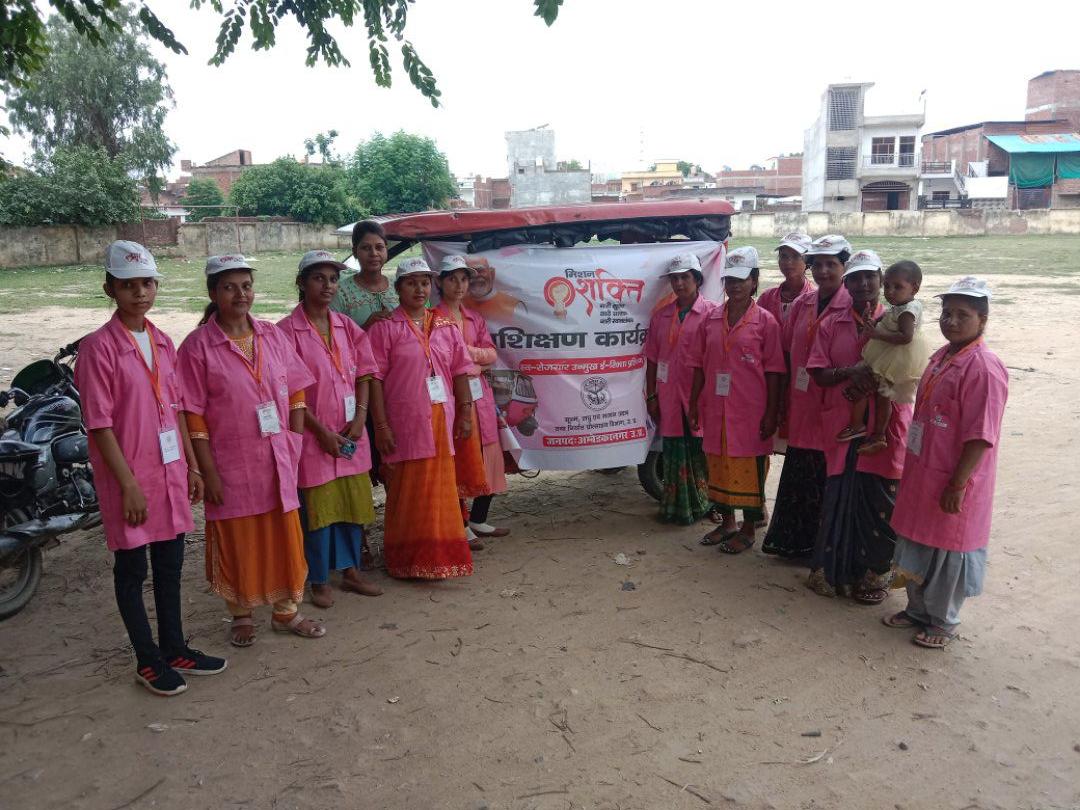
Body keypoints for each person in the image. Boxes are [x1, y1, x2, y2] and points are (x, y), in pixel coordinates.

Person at [75, 241, 226, 696]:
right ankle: (147, 659)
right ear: (110, 289)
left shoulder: (162, 342)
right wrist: (128, 487)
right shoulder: (98, 349)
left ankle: (175, 647)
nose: (139, 293)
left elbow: (176, 409)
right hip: (131, 478)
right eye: (128, 286)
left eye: (146, 283)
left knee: (169, 563)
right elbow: (100, 425)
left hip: (169, 471)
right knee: (132, 569)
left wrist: (192, 467)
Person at [178, 255, 323, 647]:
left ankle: (286, 611)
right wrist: (207, 471)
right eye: (229, 287)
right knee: (239, 539)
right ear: (213, 293)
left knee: (283, 537)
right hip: (230, 463)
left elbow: (296, 389)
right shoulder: (196, 347)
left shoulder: (272, 335)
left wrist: (294, 440)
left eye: (246, 286)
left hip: (277, 457)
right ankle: (240, 613)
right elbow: (192, 414)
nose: (240, 294)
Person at [885, 277, 1007, 649]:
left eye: (962, 315)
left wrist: (957, 483)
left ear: (982, 319)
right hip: (925, 469)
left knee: (948, 552)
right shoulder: (942, 356)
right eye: (946, 313)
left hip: (954, 477)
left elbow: (981, 435)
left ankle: (943, 620)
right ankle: (918, 609)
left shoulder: (984, 368)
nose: (951, 321)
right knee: (919, 541)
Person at [277, 251, 384, 610]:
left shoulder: (346, 326)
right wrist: (320, 431)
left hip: (351, 432)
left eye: (333, 279)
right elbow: (289, 391)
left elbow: (365, 373)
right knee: (319, 511)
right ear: (301, 283)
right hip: (313, 436)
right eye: (318, 278)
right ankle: (319, 578)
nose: (328, 285)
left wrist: (361, 417)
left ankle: (351, 571)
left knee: (353, 503)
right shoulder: (285, 332)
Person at [805, 250, 912, 602]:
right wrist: (850, 373)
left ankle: (875, 575)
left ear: (881, 281)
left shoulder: (899, 322)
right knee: (839, 496)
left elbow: (911, 373)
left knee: (879, 499)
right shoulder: (830, 325)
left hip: (884, 424)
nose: (863, 284)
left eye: (870, 277)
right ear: (846, 284)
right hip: (842, 422)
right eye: (855, 278)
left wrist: (874, 381)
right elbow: (818, 373)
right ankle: (833, 572)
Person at [368, 258, 476, 580]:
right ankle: (407, 561)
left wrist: (466, 412)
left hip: (442, 419)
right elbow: (373, 380)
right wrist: (381, 426)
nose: (419, 289)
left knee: (440, 490)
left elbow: (461, 371)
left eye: (425, 283)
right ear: (398, 288)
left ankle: (438, 558)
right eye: (411, 282)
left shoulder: (445, 326)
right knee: (408, 492)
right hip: (404, 423)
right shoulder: (385, 329)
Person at [760, 235, 852, 560]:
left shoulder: (854, 306)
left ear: (844, 267)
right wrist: (780, 401)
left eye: (832, 264)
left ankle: (823, 549)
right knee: (801, 472)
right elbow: (785, 353)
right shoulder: (803, 305)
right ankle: (794, 545)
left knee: (828, 475)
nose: (824, 271)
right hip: (801, 402)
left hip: (835, 405)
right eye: (819, 264)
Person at [688, 247, 785, 553]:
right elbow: (699, 366)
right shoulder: (711, 319)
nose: (734, 286)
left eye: (741, 279)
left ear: (754, 281)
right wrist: (693, 403)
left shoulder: (766, 322)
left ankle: (748, 528)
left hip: (750, 411)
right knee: (718, 465)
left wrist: (772, 413)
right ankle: (727, 522)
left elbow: (775, 372)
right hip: (716, 409)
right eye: (729, 279)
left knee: (750, 469)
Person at [434, 255, 510, 549]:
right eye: (452, 279)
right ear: (440, 282)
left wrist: (464, 353)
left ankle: (479, 518)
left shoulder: (474, 318)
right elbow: (440, 361)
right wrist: (471, 358)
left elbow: (490, 355)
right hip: (451, 396)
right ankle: (461, 524)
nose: (459, 285)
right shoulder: (432, 318)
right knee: (458, 458)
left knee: (488, 454)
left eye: (464, 279)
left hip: (480, 396)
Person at [643, 253, 718, 525]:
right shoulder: (661, 316)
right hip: (669, 394)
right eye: (674, 278)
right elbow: (652, 360)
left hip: (701, 395)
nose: (679, 283)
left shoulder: (712, 314)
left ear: (697, 279)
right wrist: (652, 395)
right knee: (674, 449)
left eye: (685, 277)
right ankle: (678, 507)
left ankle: (709, 504)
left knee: (702, 449)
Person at [838, 260, 931, 455]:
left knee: (883, 394)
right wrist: (871, 321)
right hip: (889, 354)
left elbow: (906, 337)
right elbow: (882, 319)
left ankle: (877, 434)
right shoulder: (899, 306)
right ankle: (862, 427)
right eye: (887, 286)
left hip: (897, 357)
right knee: (874, 389)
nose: (890, 292)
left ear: (914, 288)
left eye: (898, 287)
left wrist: (877, 334)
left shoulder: (908, 310)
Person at [332, 220, 398, 331]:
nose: (374, 253)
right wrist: (366, 327)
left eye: (379, 247)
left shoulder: (398, 287)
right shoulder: (340, 293)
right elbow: (334, 337)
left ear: (386, 250)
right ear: (354, 252)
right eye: (366, 248)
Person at [757, 232, 815, 324]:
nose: (788, 262)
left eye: (796, 256)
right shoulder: (766, 298)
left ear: (808, 261)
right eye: (784, 256)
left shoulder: (815, 300)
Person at [463, 255, 525, 323]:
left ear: (492, 273)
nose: (475, 276)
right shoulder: (458, 303)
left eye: (480, 270)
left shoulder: (515, 306)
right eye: (469, 273)